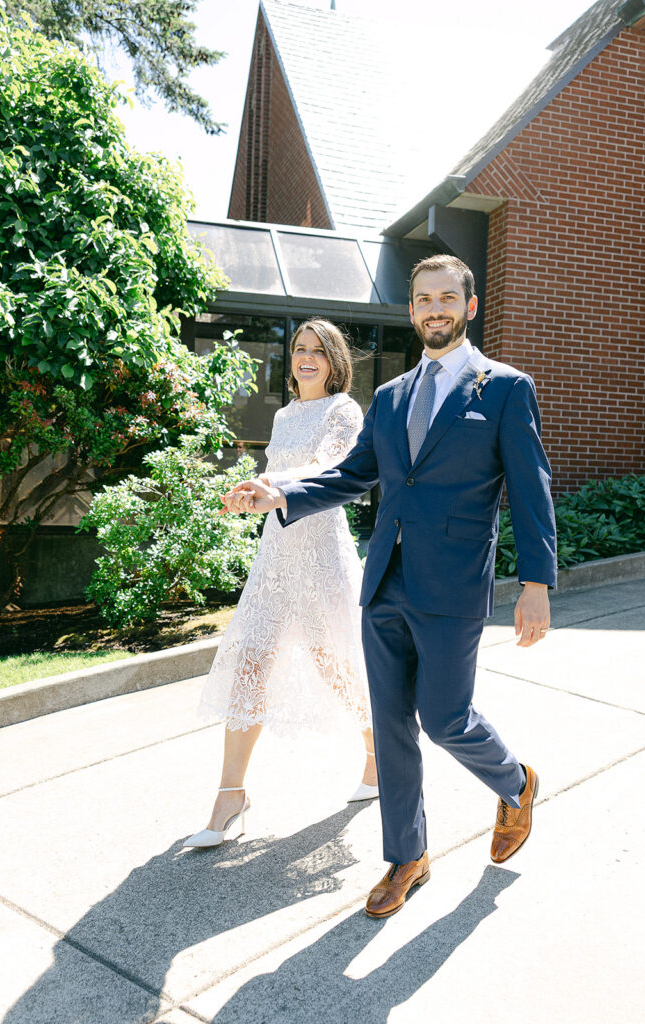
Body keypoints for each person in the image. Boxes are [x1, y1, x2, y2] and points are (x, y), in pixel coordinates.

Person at [222, 255, 557, 917]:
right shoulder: (393, 396)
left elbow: (529, 489)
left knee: (443, 719)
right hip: (384, 582)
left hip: (454, 584)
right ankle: (406, 856)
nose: (434, 308)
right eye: (422, 298)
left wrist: (535, 582)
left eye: (446, 298)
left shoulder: (504, 389)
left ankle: (514, 781)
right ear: (411, 311)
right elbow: (351, 475)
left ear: (469, 306)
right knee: (392, 725)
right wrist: (278, 492)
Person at [183, 320, 378, 850]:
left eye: (318, 351)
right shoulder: (284, 413)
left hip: (320, 556)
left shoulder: (344, 410)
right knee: (250, 662)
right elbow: (275, 479)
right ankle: (230, 797)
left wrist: (271, 485)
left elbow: (330, 466)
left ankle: (378, 754)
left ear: (334, 360)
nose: (307, 358)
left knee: (336, 665)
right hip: (275, 555)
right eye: (299, 350)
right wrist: (251, 494)